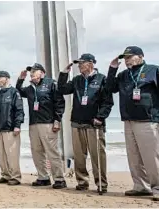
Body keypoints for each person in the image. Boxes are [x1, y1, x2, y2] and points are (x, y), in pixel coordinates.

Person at [105, 46, 159, 201]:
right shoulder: (124, 75)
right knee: (134, 156)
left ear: (140, 56)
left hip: (148, 120)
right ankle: (141, 186)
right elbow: (109, 88)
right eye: (125, 58)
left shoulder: (153, 70)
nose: (127, 60)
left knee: (151, 157)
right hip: (128, 120)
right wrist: (112, 68)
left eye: (130, 57)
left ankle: (157, 187)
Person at [57, 53, 114, 193]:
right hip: (77, 122)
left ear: (91, 63)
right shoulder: (77, 80)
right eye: (79, 64)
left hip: (94, 124)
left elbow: (108, 102)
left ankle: (101, 183)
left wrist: (100, 117)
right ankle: (82, 182)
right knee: (79, 156)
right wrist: (64, 73)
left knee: (97, 156)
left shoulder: (102, 79)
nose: (80, 66)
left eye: (82, 63)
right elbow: (62, 89)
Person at [16, 63, 67, 189]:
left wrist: (57, 120)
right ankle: (43, 177)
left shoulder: (51, 84)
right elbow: (18, 91)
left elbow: (59, 102)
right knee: (37, 152)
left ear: (42, 73)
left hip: (48, 123)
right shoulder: (30, 88)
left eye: (34, 71)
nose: (32, 73)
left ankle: (59, 179)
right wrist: (20, 79)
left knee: (52, 151)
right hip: (34, 124)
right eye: (31, 71)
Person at [0, 71, 24, 185]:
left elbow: (19, 110)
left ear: (7, 79)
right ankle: (5, 175)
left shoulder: (14, 92)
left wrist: (17, 125)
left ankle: (15, 177)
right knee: (1, 155)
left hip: (10, 129)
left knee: (12, 154)